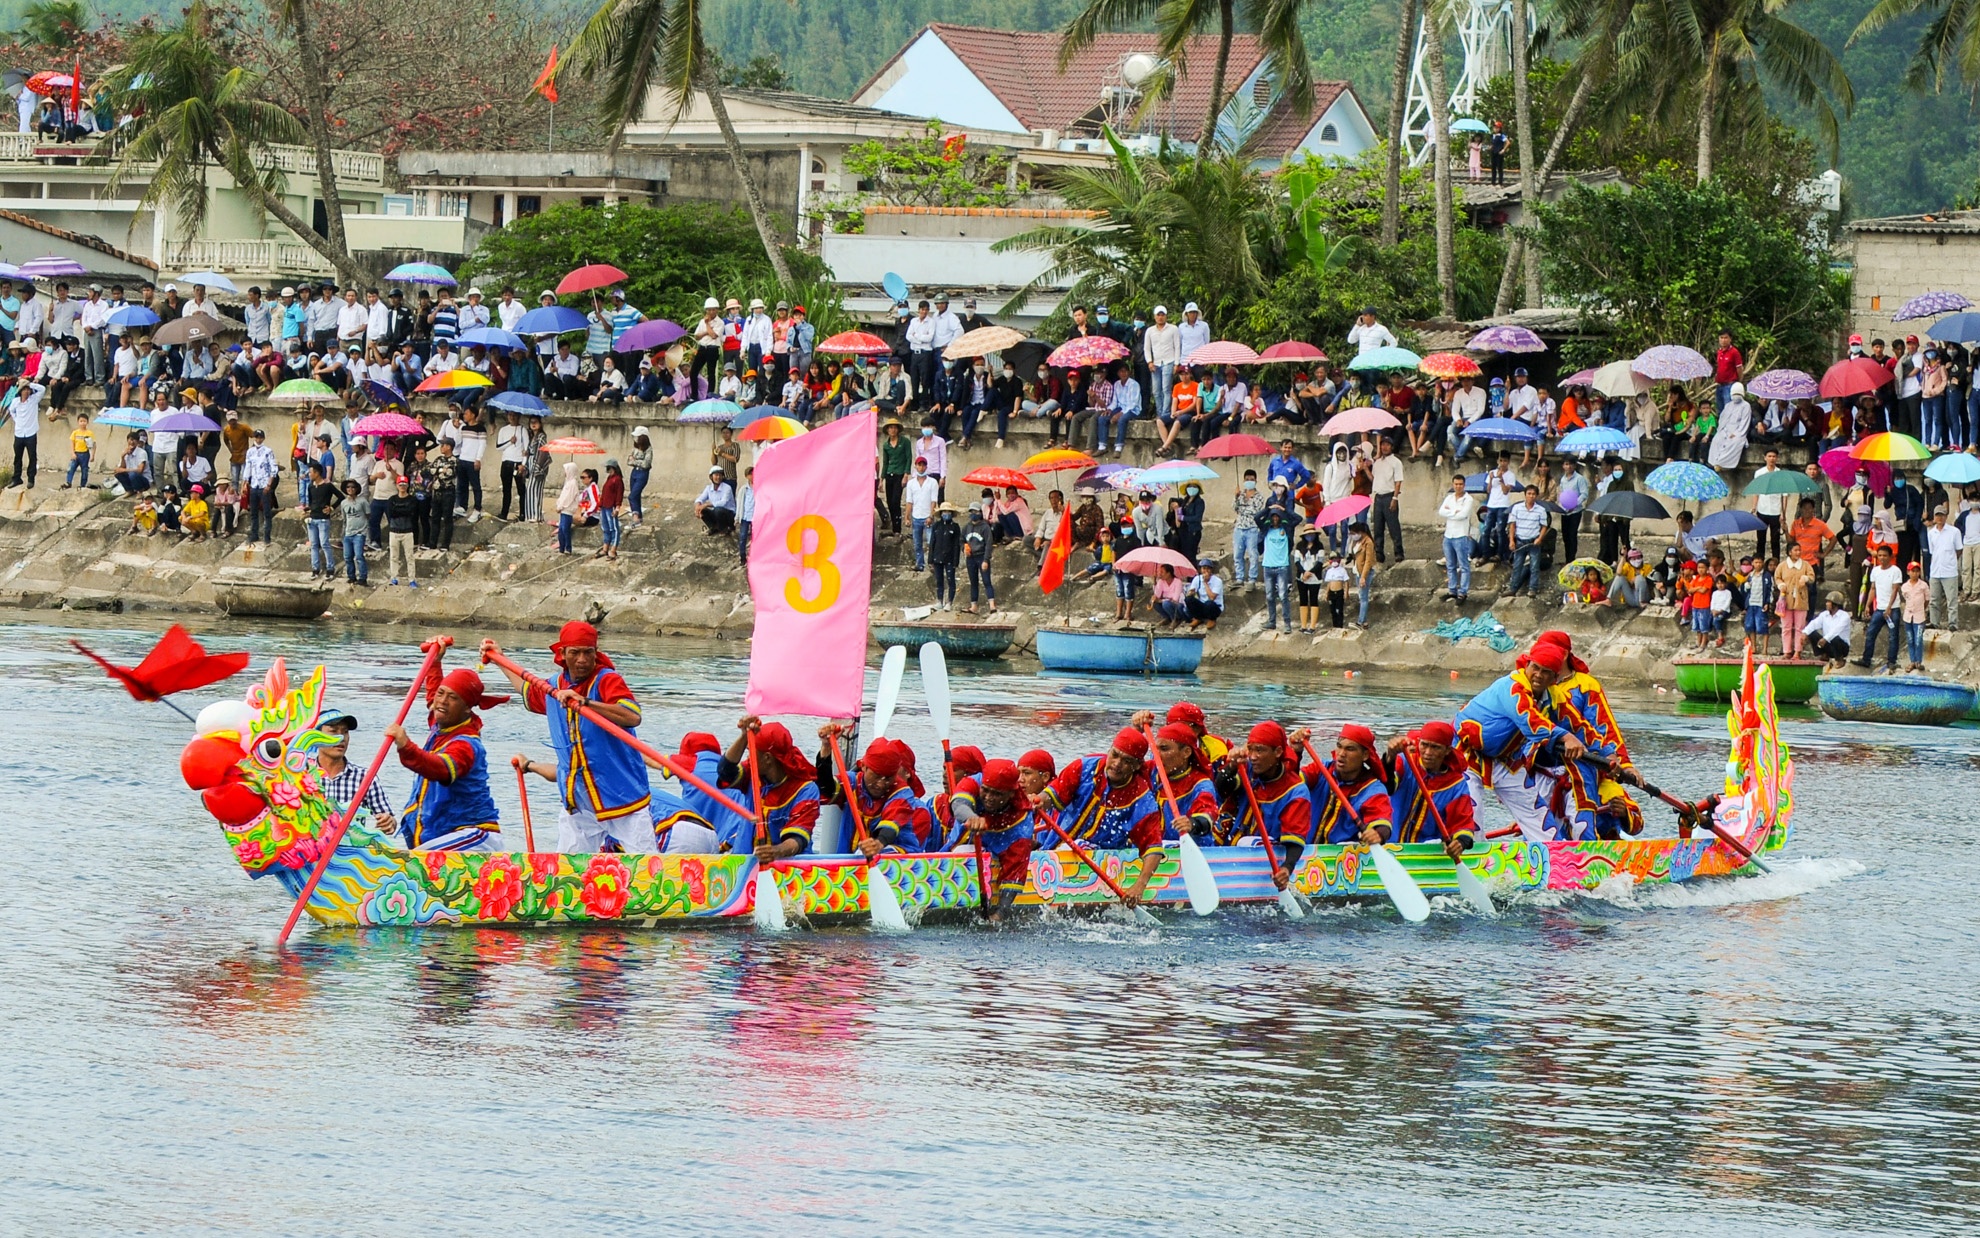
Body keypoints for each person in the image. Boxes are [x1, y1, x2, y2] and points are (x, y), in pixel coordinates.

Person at [384, 658, 506, 852]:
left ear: (467, 707)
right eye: (441, 694)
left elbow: (440, 769)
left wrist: (406, 746)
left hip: (474, 836)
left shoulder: (466, 745)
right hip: (447, 837)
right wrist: (434, 661)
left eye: (453, 697)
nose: (442, 701)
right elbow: (435, 696)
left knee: (414, 863)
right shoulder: (442, 725)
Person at [1032, 728, 1167, 903]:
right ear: (1109, 750)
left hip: (1104, 858)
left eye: (1126, 761)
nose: (1117, 764)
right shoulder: (1084, 767)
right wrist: (1038, 801)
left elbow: (1153, 848)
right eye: (1115, 755)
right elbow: (1052, 795)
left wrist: (1139, 886)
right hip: (1056, 847)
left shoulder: (1142, 799)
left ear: (1136, 766)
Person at [944, 759, 1035, 918]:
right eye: (985, 790)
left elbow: (1014, 874)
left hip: (996, 852)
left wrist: (1000, 913)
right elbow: (958, 806)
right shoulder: (973, 782)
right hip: (965, 844)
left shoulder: (1022, 821)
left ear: (1011, 793)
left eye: (997, 794)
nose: (988, 798)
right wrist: (972, 818)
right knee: (963, 849)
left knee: (967, 851)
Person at [1382, 722, 1476, 858]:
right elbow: (1387, 787)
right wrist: (1390, 758)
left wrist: (1459, 842)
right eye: (1424, 745)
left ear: (1447, 750)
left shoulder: (1456, 785)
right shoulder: (1404, 761)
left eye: (1435, 747)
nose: (1427, 753)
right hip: (1387, 845)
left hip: (1426, 852)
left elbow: (1462, 824)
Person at [315, 708, 396, 836]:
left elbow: (388, 820)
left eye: (345, 732)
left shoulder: (364, 778)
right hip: (310, 852)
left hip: (350, 853)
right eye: (333, 731)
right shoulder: (302, 775)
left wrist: (388, 822)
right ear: (315, 737)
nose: (341, 738)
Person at [1857, 546, 1904, 673]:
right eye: (1879, 556)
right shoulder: (1875, 571)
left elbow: (1895, 590)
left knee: (1893, 636)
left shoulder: (1896, 571)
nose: (1882, 558)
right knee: (1871, 633)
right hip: (1879, 608)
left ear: (1890, 557)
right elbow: (1873, 589)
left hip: (1892, 609)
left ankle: (1892, 661)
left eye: (1884, 555)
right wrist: (1867, 605)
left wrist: (1889, 607)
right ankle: (1866, 659)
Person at [1438, 474, 1477, 602]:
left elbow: (1463, 515)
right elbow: (1441, 512)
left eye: (1460, 484)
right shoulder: (1449, 498)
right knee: (1450, 565)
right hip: (1448, 535)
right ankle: (1452, 590)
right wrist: (1455, 511)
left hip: (1461, 535)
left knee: (1464, 565)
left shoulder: (1468, 499)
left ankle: (1463, 592)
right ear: (1453, 484)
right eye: (1456, 484)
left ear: (1464, 485)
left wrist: (1451, 512)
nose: (1458, 486)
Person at [1926, 506, 1962, 630]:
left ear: (1946, 516)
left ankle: (1953, 623)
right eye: (1937, 515)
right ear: (1934, 517)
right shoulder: (1931, 533)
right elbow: (1932, 551)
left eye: (1942, 515)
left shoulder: (1954, 532)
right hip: (1935, 570)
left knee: (1951, 599)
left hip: (1949, 571)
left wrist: (1951, 560)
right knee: (1934, 599)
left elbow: (1959, 550)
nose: (1939, 517)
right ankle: (1934, 622)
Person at [1804, 590, 1854, 668]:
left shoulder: (1844, 616)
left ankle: (1840, 659)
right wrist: (1805, 633)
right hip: (1828, 645)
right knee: (1812, 633)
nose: (1826, 604)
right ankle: (1824, 654)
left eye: (1829, 602)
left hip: (1841, 647)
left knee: (1835, 638)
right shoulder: (1824, 614)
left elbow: (1836, 630)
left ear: (1835, 604)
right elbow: (1814, 623)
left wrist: (1825, 639)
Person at [928, 501, 961, 610]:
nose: (946, 513)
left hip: (950, 558)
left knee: (950, 580)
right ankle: (939, 600)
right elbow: (932, 542)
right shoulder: (936, 526)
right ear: (941, 513)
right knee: (939, 580)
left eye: (948, 511)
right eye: (944, 511)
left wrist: (956, 561)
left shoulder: (955, 527)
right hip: (937, 557)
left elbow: (957, 545)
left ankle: (949, 602)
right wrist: (930, 559)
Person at [1900, 560, 1931, 672]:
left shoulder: (1923, 585)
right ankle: (1912, 661)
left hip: (1919, 617)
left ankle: (1918, 661)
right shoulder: (1905, 586)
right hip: (1908, 616)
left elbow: (1927, 600)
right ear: (1908, 572)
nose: (1915, 573)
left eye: (1917, 571)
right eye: (1913, 571)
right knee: (1910, 639)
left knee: (1918, 640)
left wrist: (1921, 608)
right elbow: (1905, 598)